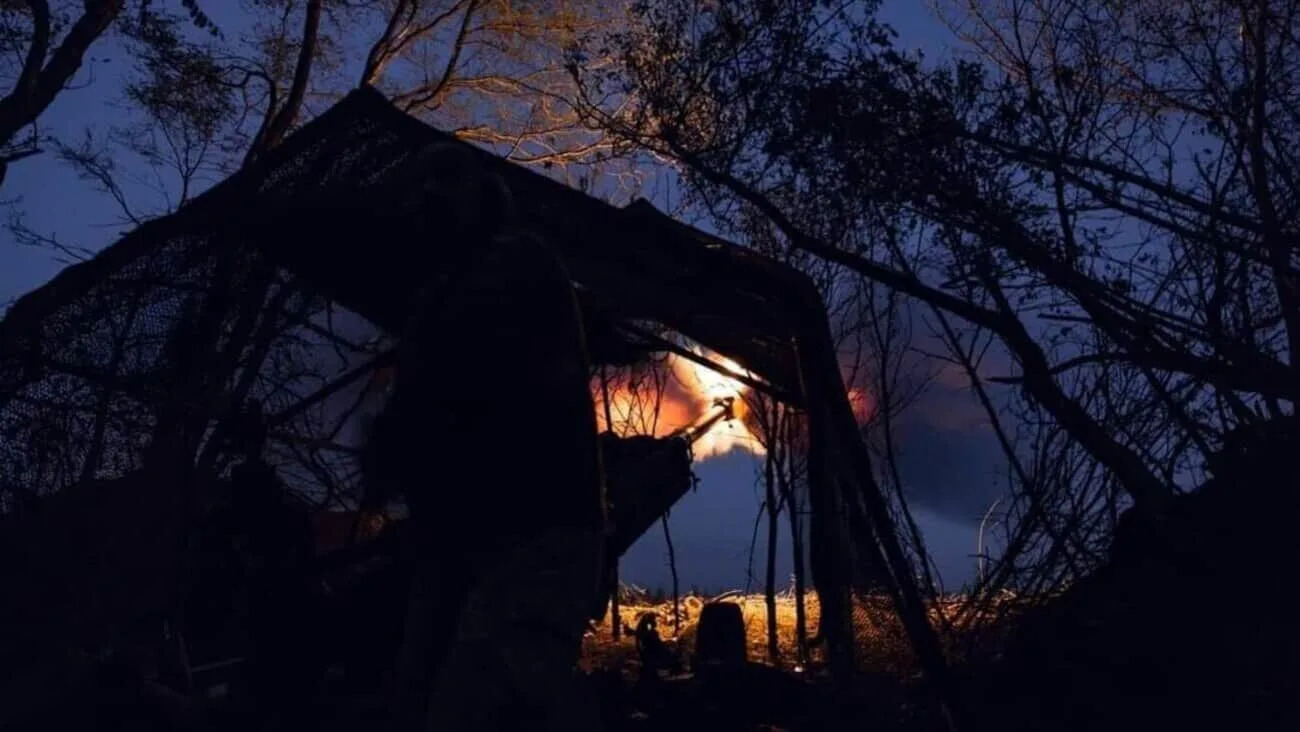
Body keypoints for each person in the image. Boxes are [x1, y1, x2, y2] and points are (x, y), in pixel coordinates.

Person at [367, 148, 608, 732]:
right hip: (478, 538)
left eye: (442, 193)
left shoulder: (508, 269)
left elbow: (458, 385)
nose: (427, 207)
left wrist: (398, 437)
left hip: (531, 535)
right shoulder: (457, 284)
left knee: (481, 699)